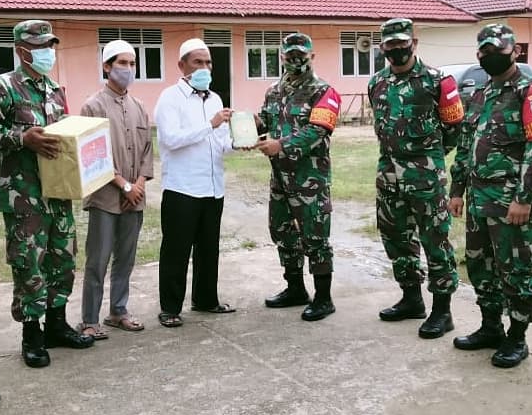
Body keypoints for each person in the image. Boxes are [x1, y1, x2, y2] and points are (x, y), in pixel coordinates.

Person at [0, 20, 93, 368]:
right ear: (21, 49)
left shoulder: (55, 89)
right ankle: (32, 335)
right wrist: (22, 137)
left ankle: (57, 324)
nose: (47, 51)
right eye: (39, 45)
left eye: (50, 44)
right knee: (29, 264)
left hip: (58, 191)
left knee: (63, 258)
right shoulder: (2, 87)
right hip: (24, 195)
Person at [448, 24, 532, 368]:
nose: (491, 55)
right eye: (485, 50)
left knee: (515, 269)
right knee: (480, 265)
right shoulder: (480, 93)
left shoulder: (531, 92)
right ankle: (491, 327)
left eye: (499, 49)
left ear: (516, 51)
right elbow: (466, 146)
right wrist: (456, 189)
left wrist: (523, 198)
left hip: (511, 203)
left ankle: (517, 336)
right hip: (479, 200)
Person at [368, 18, 463, 339]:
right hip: (388, 176)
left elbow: (455, 130)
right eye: (390, 44)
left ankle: (442, 310)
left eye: (402, 43)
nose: (397, 49)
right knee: (395, 239)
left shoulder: (438, 81)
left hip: (426, 179)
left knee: (435, 240)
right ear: (383, 47)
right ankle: (411, 299)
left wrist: (429, 161)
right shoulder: (377, 83)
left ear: (414, 42)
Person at [255, 33, 341, 322]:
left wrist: (282, 145)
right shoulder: (274, 91)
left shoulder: (324, 91)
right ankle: (295, 288)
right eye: (289, 55)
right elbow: (264, 121)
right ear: (281, 57)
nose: (295, 60)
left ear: (311, 56)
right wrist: (246, 124)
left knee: (315, 236)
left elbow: (317, 131)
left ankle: (324, 298)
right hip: (280, 178)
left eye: (300, 55)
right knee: (282, 231)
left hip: (310, 179)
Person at [154, 38, 235, 328]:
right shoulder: (169, 98)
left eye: (208, 62)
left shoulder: (214, 98)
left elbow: (221, 142)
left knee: (208, 248)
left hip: (213, 187)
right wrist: (210, 124)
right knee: (177, 250)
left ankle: (205, 299)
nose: (204, 68)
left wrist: (242, 141)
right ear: (182, 66)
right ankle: (170, 308)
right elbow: (171, 140)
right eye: (197, 62)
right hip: (182, 188)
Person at [76, 39, 153, 339]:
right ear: (107, 67)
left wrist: (139, 185)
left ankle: (118, 311)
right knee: (98, 259)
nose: (128, 69)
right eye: (122, 63)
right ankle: (89, 319)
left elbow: (147, 151)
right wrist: (123, 185)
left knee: (126, 258)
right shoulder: (92, 106)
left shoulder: (139, 106)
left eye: (132, 64)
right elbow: (92, 154)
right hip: (105, 196)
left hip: (135, 196)